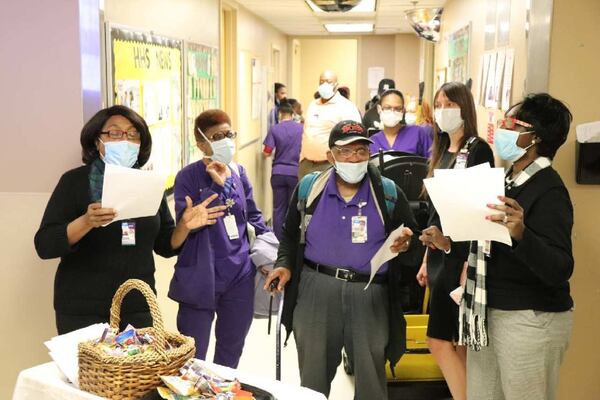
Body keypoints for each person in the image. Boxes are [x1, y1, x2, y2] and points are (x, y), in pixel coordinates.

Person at [265, 120, 423, 400]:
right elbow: (290, 235)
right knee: (312, 380)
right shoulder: (309, 189)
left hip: (370, 294)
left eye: (361, 151)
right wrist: (284, 265)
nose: (355, 159)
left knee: (372, 380)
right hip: (317, 290)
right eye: (346, 152)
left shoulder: (387, 192)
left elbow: (413, 243)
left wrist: (408, 244)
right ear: (330, 156)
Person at [34, 105, 225, 334]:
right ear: (97, 141)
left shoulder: (148, 184)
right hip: (83, 308)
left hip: (137, 305)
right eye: (114, 133)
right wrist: (86, 222)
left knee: (140, 370)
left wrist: (184, 226)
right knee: (88, 371)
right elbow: (45, 245)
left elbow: (165, 244)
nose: (125, 139)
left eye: (133, 134)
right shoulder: (75, 182)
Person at [464, 93, 574, 400]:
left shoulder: (548, 188)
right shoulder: (510, 180)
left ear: (534, 136)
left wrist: (522, 234)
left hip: (530, 318)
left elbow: (560, 267)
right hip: (491, 311)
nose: (502, 129)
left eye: (511, 124)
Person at [168, 109, 271, 368]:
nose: (226, 141)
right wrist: (216, 184)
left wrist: (273, 254)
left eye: (229, 134)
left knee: (230, 351)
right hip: (200, 276)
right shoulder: (188, 177)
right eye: (217, 136)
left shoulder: (239, 173)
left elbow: (255, 218)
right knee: (193, 358)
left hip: (239, 274)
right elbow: (190, 221)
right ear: (201, 143)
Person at [415, 81, 494, 400]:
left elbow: (480, 211)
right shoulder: (440, 150)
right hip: (438, 256)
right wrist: (425, 258)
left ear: (465, 108)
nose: (443, 111)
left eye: (450, 104)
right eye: (439, 104)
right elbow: (437, 211)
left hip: (460, 257)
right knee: (455, 343)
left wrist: (466, 264)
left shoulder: (476, 149)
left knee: (441, 340)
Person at [299, 70, 361, 179]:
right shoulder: (313, 104)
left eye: (328, 82)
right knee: (304, 195)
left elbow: (354, 137)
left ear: (336, 85)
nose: (324, 85)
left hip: (330, 164)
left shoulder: (346, 106)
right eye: (322, 82)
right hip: (306, 164)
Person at [263, 102, 303, 240]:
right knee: (293, 207)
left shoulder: (275, 129)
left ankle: (278, 239)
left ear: (280, 114)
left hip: (278, 173)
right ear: (293, 115)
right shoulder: (301, 129)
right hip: (295, 173)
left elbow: (267, 152)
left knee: (278, 208)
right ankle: (292, 238)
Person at [368, 89, 433, 158]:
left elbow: (433, 161)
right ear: (379, 109)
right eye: (387, 108)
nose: (392, 112)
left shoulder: (417, 133)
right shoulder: (373, 142)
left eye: (397, 108)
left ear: (402, 111)